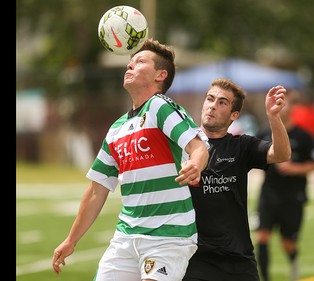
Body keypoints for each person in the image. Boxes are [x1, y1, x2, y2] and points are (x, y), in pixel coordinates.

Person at [52, 38, 210, 281]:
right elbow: (97, 188)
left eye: (140, 61)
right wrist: (71, 240)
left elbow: (197, 146)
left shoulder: (160, 106)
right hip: (126, 238)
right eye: (130, 62)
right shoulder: (117, 128)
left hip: (168, 235)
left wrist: (195, 163)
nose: (130, 66)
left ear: (160, 75)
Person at [182, 78, 291, 281]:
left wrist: (273, 116)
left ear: (234, 115)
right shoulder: (180, 146)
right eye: (210, 99)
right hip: (193, 260)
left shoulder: (241, 146)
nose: (212, 106)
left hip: (237, 260)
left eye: (222, 102)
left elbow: (281, 155)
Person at [255, 90, 314, 281]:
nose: (283, 105)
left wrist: (294, 168)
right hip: (269, 194)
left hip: (293, 196)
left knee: (288, 243)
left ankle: (293, 262)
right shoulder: (264, 132)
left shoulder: (304, 136)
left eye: (287, 102)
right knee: (262, 237)